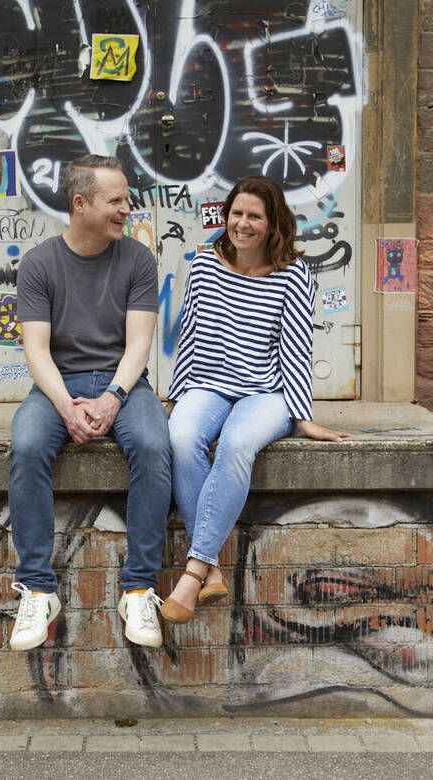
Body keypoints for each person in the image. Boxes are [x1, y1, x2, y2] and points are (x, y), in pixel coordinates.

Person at [161, 175, 349, 624]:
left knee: (236, 445)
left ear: (273, 223)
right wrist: (175, 396)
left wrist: (302, 417)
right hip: (209, 383)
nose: (242, 224)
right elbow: (191, 337)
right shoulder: (205, 264)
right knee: (181, 437)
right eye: (236, 213)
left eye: (254, 216)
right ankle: (213, 570)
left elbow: (295, 347)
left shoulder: (293, 275)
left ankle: (193, 572)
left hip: (266, 391)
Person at [8, 155, 171, 650]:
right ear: (80, 204)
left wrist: (113, 398)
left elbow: (139, 344)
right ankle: (37, 589)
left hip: (123, 383)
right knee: (27, 445)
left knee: (152, 445)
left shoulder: (139, 259)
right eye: (116, 201)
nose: (128, 208)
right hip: (58, 382)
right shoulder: (39, 263)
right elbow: (36, 349)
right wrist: (64, 406)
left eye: (127, 198)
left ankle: (138, 588)